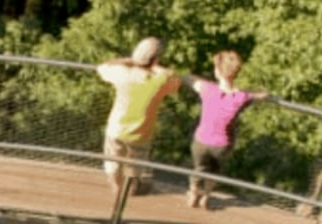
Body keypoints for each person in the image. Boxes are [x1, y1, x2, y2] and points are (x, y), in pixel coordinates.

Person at [96, 36, 185, 192]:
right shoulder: (160, 81)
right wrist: (156, 67)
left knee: (112, 163)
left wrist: (128, 61)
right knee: (134, 167)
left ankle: (116, 188)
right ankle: (129, 190)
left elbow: (102, 67)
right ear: (155, 59)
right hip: (142, 133)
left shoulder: (122, 74)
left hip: (116, 129)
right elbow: (176, 80)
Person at [185, 50, 270, 209]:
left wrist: (193, 77)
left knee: (199, 167)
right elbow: (263, 94)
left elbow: (188, 78)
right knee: (215, 169)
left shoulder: (207, 89)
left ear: (217, 71)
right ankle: (206, 194)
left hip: (201, 139)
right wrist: (246, 91)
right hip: (222, 144)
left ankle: (194, 190)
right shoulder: (241, 97)